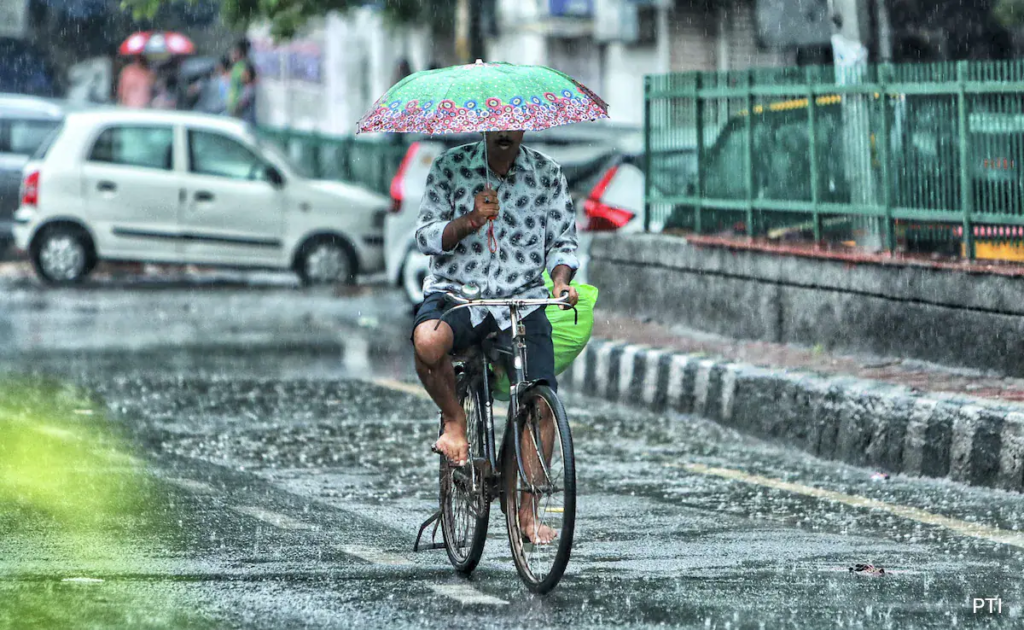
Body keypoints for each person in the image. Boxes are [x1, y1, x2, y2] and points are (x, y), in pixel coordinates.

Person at [411, 130, 580, 544]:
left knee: (541, 402)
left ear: (522, 127)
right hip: (459, 294)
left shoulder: (547, 173)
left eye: (513, 124)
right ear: (485, 127)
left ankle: (527, 512)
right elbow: (425, 236)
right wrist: (468, 221)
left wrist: (560, 283)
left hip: (521, 302)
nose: (505, 132)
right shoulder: (451, 167)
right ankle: (455, 423)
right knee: (428, 342)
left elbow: (564, 245)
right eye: (496, 124)